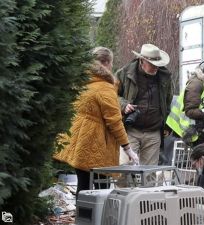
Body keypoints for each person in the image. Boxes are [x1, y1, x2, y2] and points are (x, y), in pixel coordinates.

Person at [53, 47, 139, 196]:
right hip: (98, 146)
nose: (112, 67)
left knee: (84, 185)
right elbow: (115, 121)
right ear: (106, 63)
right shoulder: (104, 88)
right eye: (111, 63)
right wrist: (127, 148)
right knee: (102, 191)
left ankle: (81, 218)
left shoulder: (81, 81)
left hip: (80, 142)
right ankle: (99, 219)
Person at [116, 43, 173, 166]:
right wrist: (123, 105)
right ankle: (126, 187)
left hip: (153, 132)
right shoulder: (124, 73)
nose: (156, 68)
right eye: (152, 64)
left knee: (149, 176)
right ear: (142, 61)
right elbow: (112, 96)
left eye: (158, 64)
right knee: (123, 169)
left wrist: (165, 124)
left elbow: (168, 101)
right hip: (130, 130)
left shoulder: (165, 77)